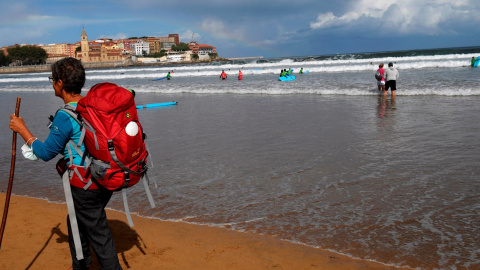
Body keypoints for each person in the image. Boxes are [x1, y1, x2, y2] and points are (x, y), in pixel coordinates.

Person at [9, 57, 122, 270]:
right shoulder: (91, 106)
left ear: (60, 83)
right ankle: (80, 266)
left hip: (84, 185)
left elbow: (45, 152)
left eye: (52, 79)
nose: (52, 83)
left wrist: (22, 129)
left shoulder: (65, 115)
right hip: (103, 177)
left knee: (99, 236)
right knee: (76, 224)